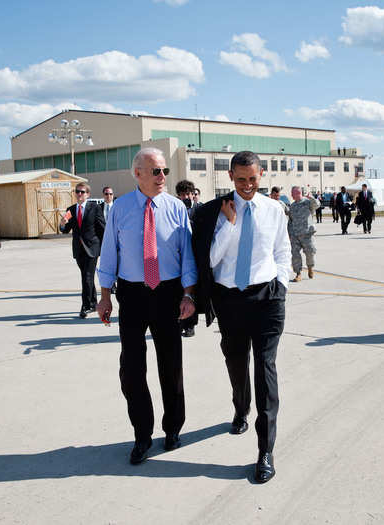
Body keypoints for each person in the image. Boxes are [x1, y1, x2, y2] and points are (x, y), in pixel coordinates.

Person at [191, 150, 290, 483]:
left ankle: (265, 450)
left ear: (261, 175)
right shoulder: (216, 213)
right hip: (230, 301)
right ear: (231, 177)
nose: (248, 185)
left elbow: (282, 251)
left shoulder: (275, 210)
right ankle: (240, 407)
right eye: (241, 179)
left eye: (253, 178)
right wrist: (230, 227)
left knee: (265, 369)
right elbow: (210, 259)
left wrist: (283, 283)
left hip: (267, 298)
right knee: (236, 362)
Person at [97, 147, 196, 465]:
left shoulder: (176, 208)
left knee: (171, 365)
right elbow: (109, 252)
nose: (162, 177)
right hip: (132, 294)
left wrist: (188, 294)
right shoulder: (120, 209)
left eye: (165, 171)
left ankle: (172, 429)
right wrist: (103, 295)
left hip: (168, 293)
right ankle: (142, 435)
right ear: (137, 173)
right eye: (156, 171)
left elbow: (188, 256)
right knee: (132, 369)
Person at [60, 183, 105, 318]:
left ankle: (85, 306)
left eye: (82, 192)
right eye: (77, 192)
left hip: (92, 248)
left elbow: (102, 228)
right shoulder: (71, 210)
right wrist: (62, 224)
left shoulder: (95, 208)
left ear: (88, 194)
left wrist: (107, 248)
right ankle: (93, 302)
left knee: (87, 276)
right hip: (78, 249)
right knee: (87, 276)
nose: (79, 194)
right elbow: (65, 230)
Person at [175, 179, 199, 338]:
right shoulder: (175, 209)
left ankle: (190, 325)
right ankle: (180, 321)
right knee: (179, 292)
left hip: (195, 256)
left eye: (188, 194)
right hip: (178, 256)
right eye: (182, 194)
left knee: (192, 292)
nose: (185, 197)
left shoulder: (200, 210)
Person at [288, 186, 318, 282]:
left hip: (307, 233)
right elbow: (290, 221)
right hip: (295, 234)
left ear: (298, 193)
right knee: (295, 254)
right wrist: (289, 233)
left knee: (310, 252)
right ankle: (298, 273)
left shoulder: (307, 202)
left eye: (293, 193)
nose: (291, 195)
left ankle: (310, 268)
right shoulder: (292, 206)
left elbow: (317, 204)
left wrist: (311, 198)